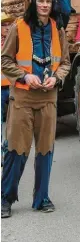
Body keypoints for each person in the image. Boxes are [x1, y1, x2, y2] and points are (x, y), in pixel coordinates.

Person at [1, 0, 71, 218]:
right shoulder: (18, 27)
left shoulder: (57, 29)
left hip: (48, 99)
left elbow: (66, 63)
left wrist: (57, 78)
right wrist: (24, 76)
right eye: (40, 0)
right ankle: (5, 199)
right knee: (16, 150)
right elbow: (5, 60)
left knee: (45, 150)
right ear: (33, 3)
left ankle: (41, 198)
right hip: (22, 98)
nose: (44, 5)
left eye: (48, 1)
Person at [1, 13, 15, 166]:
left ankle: (7, 150)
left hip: (12, 88)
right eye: (3, 25)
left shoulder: (13, 42)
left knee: (14, 123)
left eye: (8, 25)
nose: (6, 27)